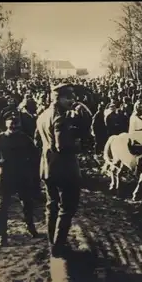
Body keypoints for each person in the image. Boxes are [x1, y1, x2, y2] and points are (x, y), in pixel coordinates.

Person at [35, 83, 82, 258]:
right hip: (64, 169)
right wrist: (77, 145)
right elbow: (62, 146)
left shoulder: (42, 115)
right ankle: (58, 246)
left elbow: (38, 140)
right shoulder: (61, 118)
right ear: (58, 98)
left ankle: (52, 243)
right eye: (69, 97)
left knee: (52, 205)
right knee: (67, 207)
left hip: (47, 167)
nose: (73, 100)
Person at [0, 110, 40, 247]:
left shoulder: (26, 139)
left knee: (27, 204)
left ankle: (31, 227)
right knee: (2, 208)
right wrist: (0, 168)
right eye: (10, 121)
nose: (13, 124)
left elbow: (35, 157)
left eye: (16, 121)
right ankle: (2, 235)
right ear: (6, 123)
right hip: (5, 176)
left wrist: (28, 171)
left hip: (22, 176)